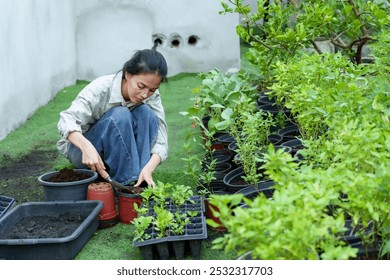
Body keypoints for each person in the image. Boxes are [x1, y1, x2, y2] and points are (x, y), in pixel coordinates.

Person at [56, 48, 168, 188]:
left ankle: (139, 179)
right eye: (141, 86)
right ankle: (124, 185)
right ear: (127, 74)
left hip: (122, 154)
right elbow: (66, 120)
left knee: (146, 113)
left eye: (152, 90)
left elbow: (162, 138)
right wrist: (86, 146)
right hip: (86, 153)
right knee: (120, 115)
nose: (145, 94)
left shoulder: (152, 97)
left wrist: (148, 168)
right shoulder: (101, 88)